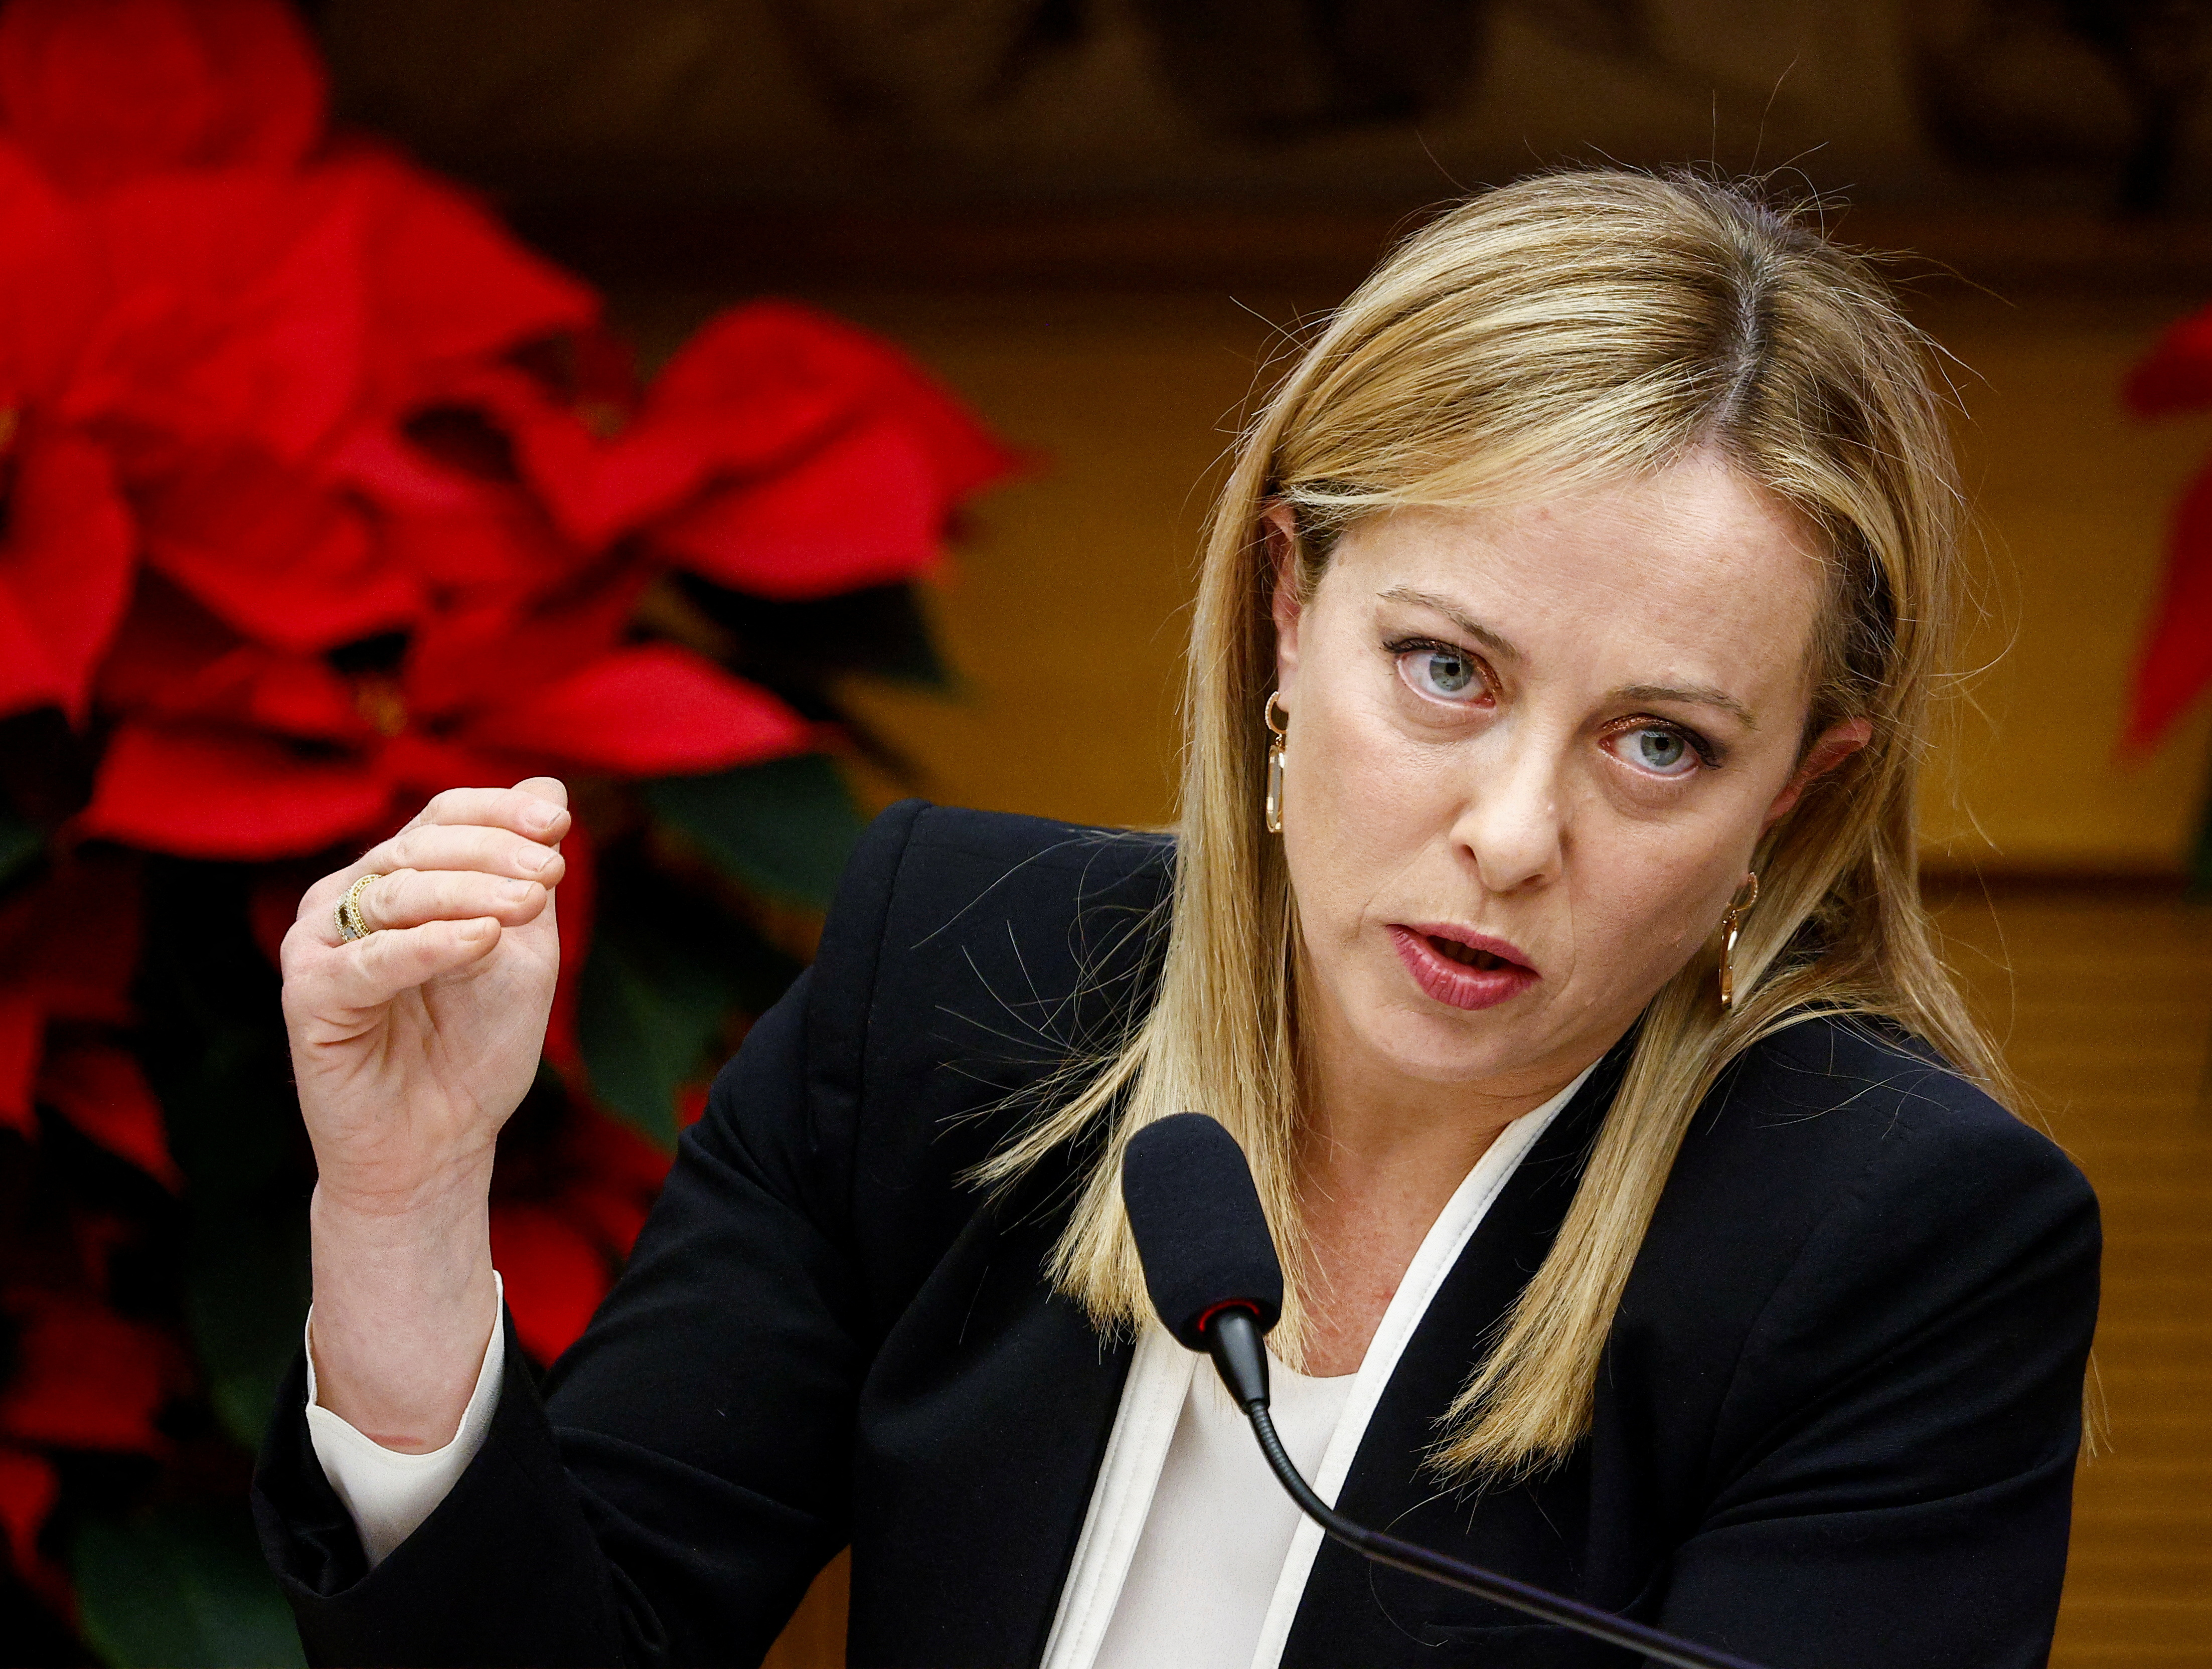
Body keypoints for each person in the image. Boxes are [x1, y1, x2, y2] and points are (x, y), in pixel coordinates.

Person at [255, 169, 2100, 1669]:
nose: (1516, 831)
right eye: (1448, 669)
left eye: (1661, 744)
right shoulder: (957, 981)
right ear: (1289, 611)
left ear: (1796, 798)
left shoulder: (1897, 1247)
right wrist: (404, 1212)